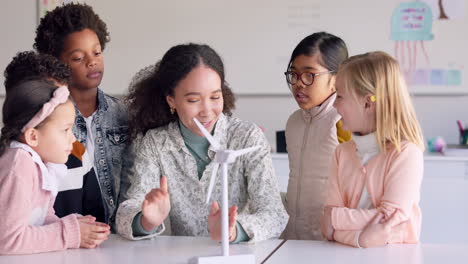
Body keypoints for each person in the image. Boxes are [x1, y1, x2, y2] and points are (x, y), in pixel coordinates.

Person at [116, 43, 288, 242]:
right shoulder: (156, 142)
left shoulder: (247, 136)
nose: (207, 111)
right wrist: (146, 221)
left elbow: (274, 214)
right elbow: (127, 211)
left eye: (215, 97)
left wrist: (233, 231)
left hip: (238, 255)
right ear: (171, 100)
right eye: (193, 100)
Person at [34, 3, 129, 225]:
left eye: (96, 52)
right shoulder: (45, 120)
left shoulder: (125, 114)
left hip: (121, 236)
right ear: (56, 63)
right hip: (67, 235)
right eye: (78, 58)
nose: (92, 61)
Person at [321, 51, 424, 248]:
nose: (334, 104)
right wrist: (362, 239)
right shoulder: (341, 153)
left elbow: (392, 219)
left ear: (368, 103)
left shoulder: (406, 154)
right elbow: (326, 226)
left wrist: (336, 220)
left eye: (340, 96)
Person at [0, 80, 110, 254]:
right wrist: (71, 233)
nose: (73, 140)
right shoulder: (19, 165)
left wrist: (76, 226)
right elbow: (7, 239)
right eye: (65, 130)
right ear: (33, 137)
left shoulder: (40, 164)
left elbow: (40, 219)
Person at [282, 32, 350, 240]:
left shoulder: (344, 121)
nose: (299, 83)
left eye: (309, 75)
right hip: (291, 237)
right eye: (293, 74)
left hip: (329, 240)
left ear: (336, 79)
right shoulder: (293, 122)